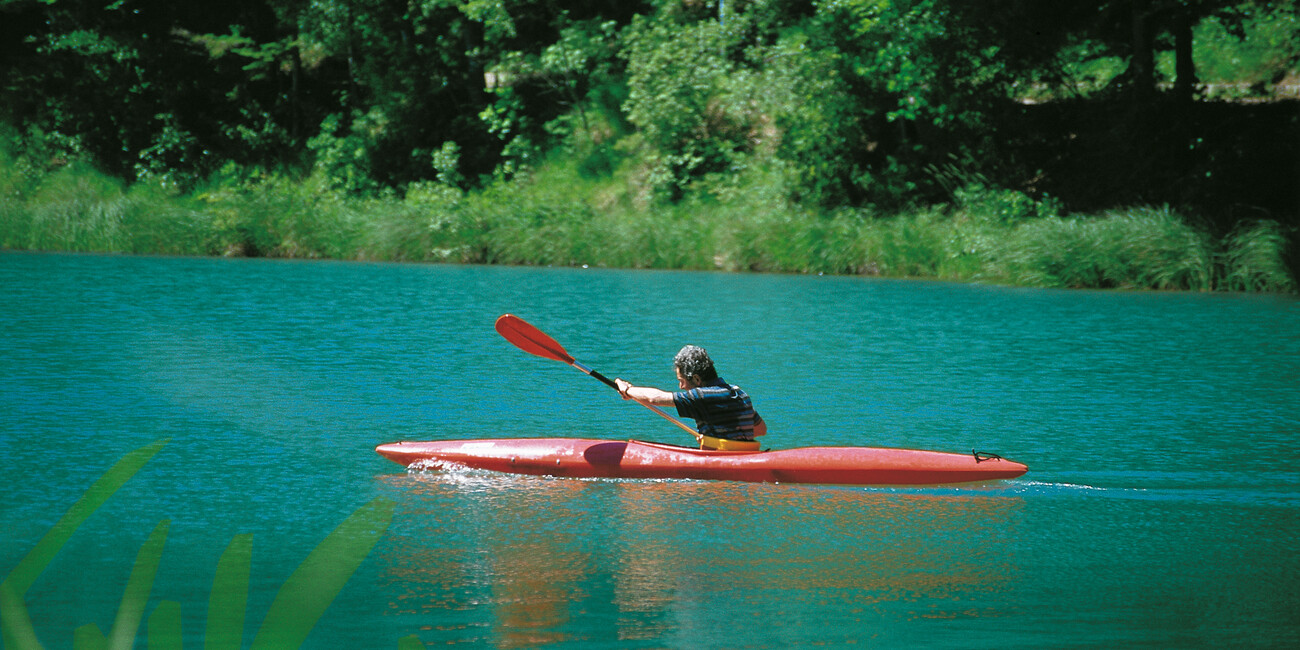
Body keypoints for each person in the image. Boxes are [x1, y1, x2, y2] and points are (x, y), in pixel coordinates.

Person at [614, 345, 767, 445]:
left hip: (720, 459)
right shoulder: (740, 393)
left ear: (697, 379)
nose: (681, 386)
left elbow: (654, 398)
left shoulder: (701, 396)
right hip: (745, 455)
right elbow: (761, 429)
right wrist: (719, 435)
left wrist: (627, 389)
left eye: (682, 381)